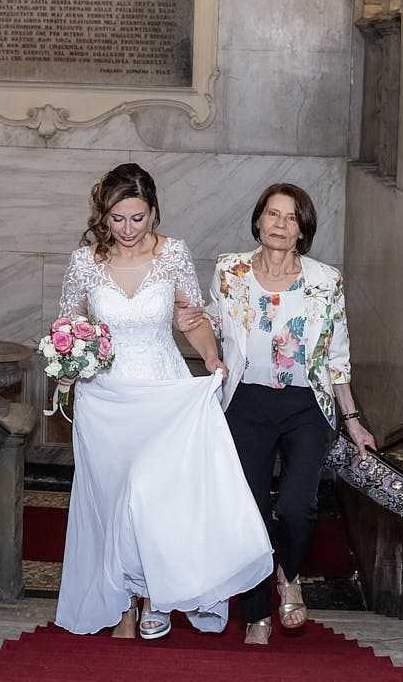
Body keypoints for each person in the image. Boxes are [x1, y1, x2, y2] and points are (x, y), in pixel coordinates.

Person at [53, 163, 273, 639]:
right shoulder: (84, 262)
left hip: (161, 389)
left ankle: (154, 594)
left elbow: (190, 318)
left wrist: (212, 358)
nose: (128, 229)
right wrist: (69, 361)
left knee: (150, 493)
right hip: (105, 400)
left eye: (137, 218)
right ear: (103, 216)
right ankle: (124, 604)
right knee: (114, 499)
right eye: (117, 219)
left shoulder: (173, 254)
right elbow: (69, 326)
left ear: (153, 213)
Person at [178, 182, 375, 646]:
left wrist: (353, 420)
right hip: (246, 402)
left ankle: (288, 575)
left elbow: (336, 356)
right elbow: (214, 322)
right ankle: (255, 614)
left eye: (291, 217)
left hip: (306, 404)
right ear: (258, 220)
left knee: (295, 505)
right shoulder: (231, 271)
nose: (280, 224)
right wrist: (196, 326)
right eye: (273, 214)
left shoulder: (326, 280)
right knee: (249, 510)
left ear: (303, 229)